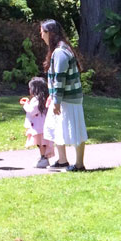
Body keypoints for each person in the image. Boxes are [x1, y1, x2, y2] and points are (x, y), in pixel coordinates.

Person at [41, 19, 88, 172]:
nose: (41, 35)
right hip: (62, 97)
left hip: (69, 99)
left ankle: (79, 165)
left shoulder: (60, 52)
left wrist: (56, 101)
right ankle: (62, 161)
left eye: (43, 32)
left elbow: (60, 79)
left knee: (76, 130)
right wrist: (53, 96)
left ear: (50, 33)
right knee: (56, 126)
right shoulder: (59, 49)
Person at [20, 77, 55, 168]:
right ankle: (43, 157)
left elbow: (32, 111)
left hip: (38, 127)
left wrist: (25, 104)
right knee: (42, 143)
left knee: (41, 144)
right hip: (41, 126)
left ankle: (44, 158)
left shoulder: (37, 99)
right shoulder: (44, 98)